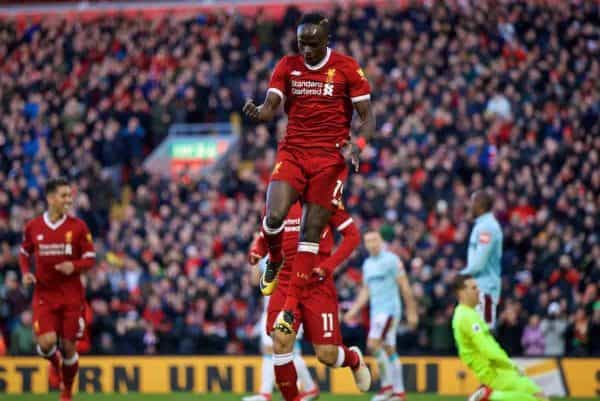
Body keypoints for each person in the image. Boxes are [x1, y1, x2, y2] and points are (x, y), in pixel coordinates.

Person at [242, 12, 374, 335]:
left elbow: (367, 117)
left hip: (330, 160)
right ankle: (274, 259)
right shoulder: (288, 65)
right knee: (274, 215)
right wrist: (261, 112)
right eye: (303, 43)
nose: (307, 51)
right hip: (294, 152)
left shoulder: (346, 68)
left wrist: (357, 144)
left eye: (313, 44)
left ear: (326, 40)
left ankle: (288, 311)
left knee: (310, 233)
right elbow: (273, 103)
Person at [250, 201, 371, 401]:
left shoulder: (324, 196)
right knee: (280, 341)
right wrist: (257, 250)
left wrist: (329, 265)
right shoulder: (276, 201)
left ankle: (353, 359)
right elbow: (266, 237)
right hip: (285, 282)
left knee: (327, 355)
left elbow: (352, 236)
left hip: (317, 285)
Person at [19, 177, 96, 401]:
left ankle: (67, 392)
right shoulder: (33, 226)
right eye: (64, 196)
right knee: (46, 342)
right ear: (50, 198)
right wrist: (26, 273)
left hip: (72, 296)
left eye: (70, 196)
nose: (69, 200)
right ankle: (56, 362)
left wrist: (74, 265)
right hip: (44, 294)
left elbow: (90, 258)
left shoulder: (78, 227)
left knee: (69, 346)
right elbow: (24, 252)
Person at [344, 231, 418, 401]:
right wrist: (353, 311)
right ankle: (397, 392)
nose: (372, 244)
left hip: (390, 310)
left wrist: (412, 312)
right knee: (388, 349)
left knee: (373, 344)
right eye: (368, 241)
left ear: (381, 241)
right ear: (365, 244)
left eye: (375, 240)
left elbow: (405, 287)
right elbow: (365, 292)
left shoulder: (392, 260)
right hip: (376, 313)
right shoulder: (368, 264)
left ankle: (388, 388)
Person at [452, 275, 548, 401]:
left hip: (498, 368)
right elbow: (486, 347)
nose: (478, 291)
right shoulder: (466, 316)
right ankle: (488, 397)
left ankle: (487, 396)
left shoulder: (467, 314)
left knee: (540, 396)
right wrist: (511, 364)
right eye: (473, 288)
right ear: (462, 293)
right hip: (493, 371)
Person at [243, 255, 319, 401]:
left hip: (289, 308)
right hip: (270, 308)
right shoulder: (266, 255)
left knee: (290, 351)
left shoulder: (293, 251)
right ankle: (265, 393)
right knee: (268, 350)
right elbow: (255, 281)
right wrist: (256, 258)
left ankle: (310, 388)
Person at [461, 190, 503, 328]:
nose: (469, 206)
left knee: (483, 337)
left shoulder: (487, 227)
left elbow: (479, 262)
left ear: (480, 205)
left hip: (485, 290)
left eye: (472, 202)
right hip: (477, 290)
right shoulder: (481, 225)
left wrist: (460, 275)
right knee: (475, 340)